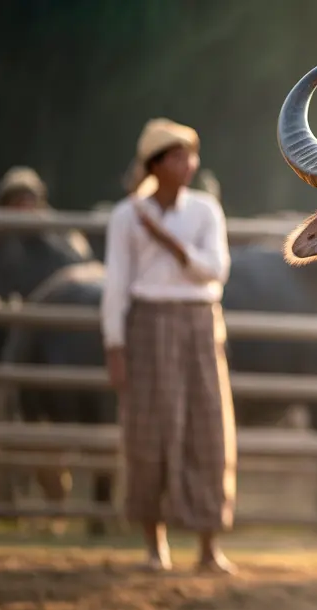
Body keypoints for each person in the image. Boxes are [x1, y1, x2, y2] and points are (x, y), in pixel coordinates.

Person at [100, 118, 237, 573]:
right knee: (148, 431)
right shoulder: (126, 216)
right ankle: (154, 544)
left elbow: (215, 270)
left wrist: (172, 245)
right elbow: (116, 284)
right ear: (155, 165)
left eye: (189, 155)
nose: (188, 164)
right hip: (149, 322)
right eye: (176, 156)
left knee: (207, 427)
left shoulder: (205, 211)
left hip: (199, 321)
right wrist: (115, 346)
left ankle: (208, 545)